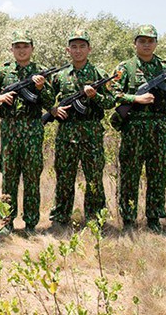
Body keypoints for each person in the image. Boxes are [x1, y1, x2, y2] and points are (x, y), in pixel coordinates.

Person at [111, 25, 166, 234]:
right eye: (142, 41)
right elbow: (112, 93)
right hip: (133, 128)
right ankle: (128, 220)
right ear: (135, 43)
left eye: (150, 41)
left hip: (158, 128)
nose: (146, 44)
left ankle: (153, 219)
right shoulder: (125, 68)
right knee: (129, 176)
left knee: (157, 175)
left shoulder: (165, 68)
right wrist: (135, 98)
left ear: (156, 43)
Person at [0, 30, 55, 235]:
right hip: (10, 129)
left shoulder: (39, 71)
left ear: (32, 48)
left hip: (32, 128)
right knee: (9, 177)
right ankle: (6, 223)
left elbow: (50, 103)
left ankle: (31, 223)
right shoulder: (4, 72)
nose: (21, 50)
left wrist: (40, 88)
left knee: (32, 176)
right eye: (17, 47)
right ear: (12, 49)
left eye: (25, 46)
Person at [47, 30, 114, 230]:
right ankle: (60, 217)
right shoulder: (60, 75)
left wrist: (95, 96)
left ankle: (95, 219)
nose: (78, 50)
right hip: (66, 134)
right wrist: (53, 109)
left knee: (94, 177)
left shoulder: (99, 74)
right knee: (64, 178)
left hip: (91, 134)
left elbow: (110, 102)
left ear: (89, 49)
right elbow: (48, 99)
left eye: (82, 46)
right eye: (74, 47)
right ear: (68, 50)